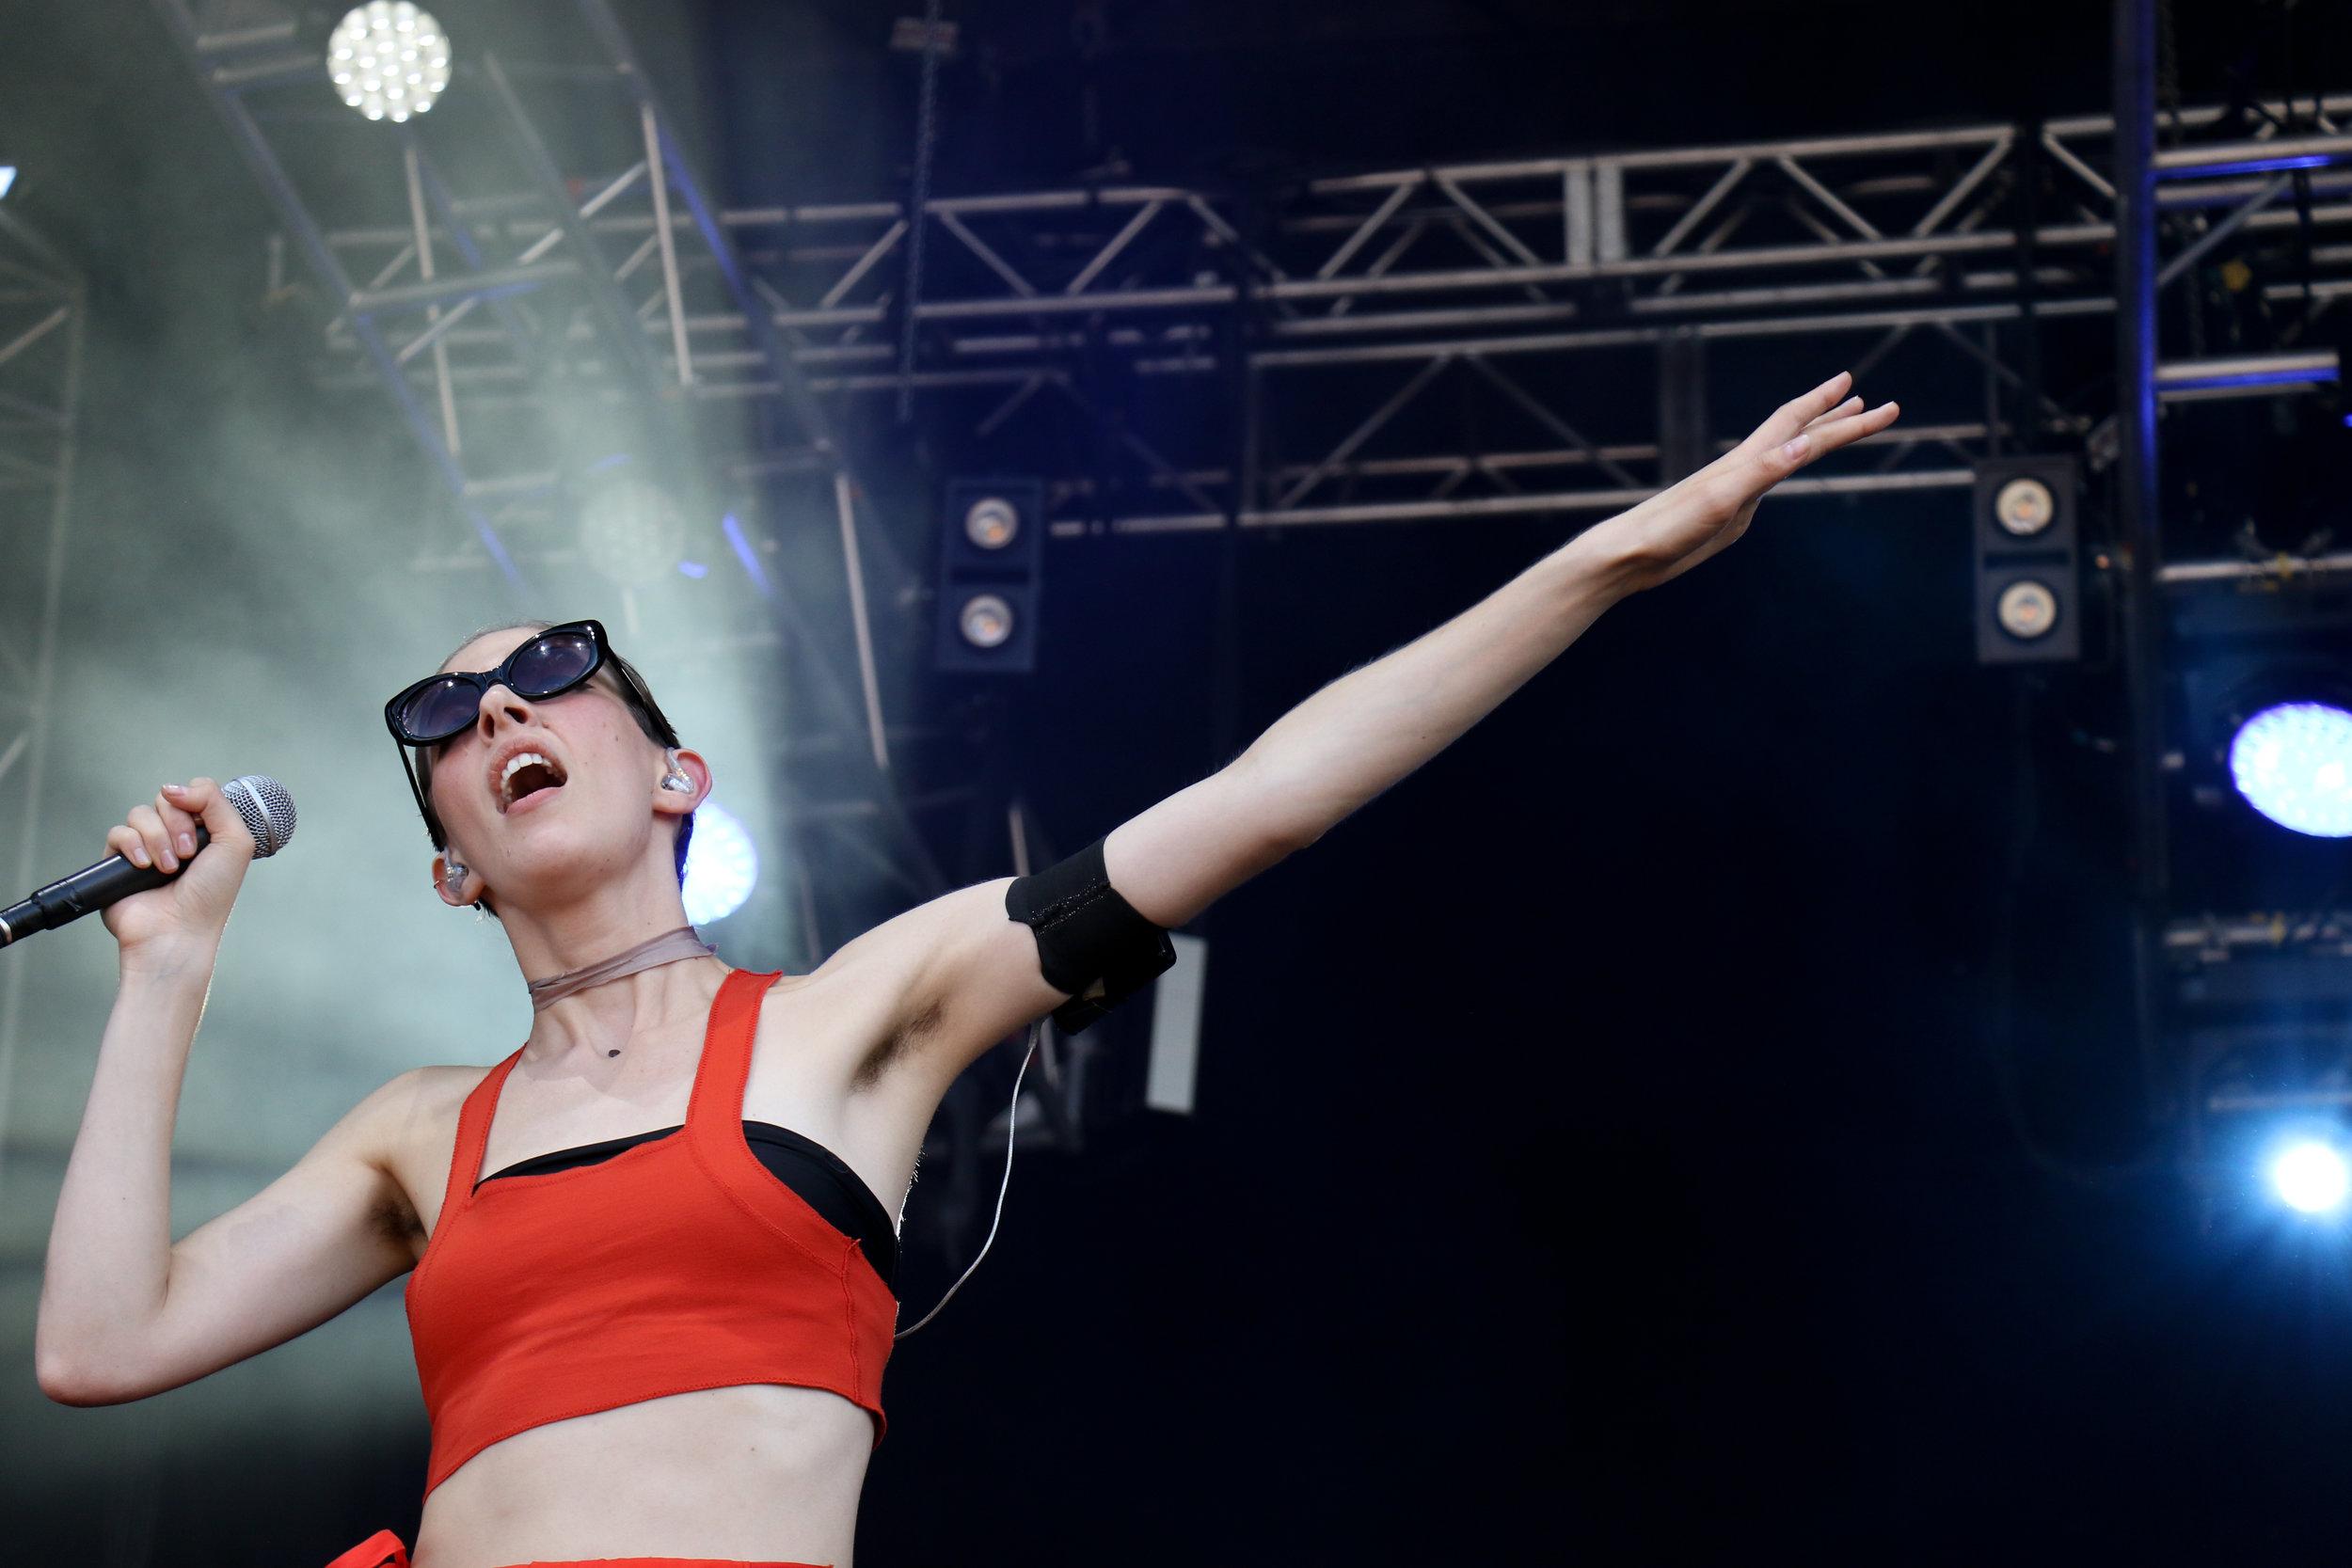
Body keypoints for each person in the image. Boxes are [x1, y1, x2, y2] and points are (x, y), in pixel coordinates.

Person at [35, 374, 1899, 1568]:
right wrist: (168, 968)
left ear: (678, 774)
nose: (500, 704)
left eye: (554, 672)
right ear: (447, 859)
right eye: (443, 710)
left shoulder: (852, 1017)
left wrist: (1615, 557)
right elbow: (99, 1346)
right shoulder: (414, 1134)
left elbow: (1262, 797)